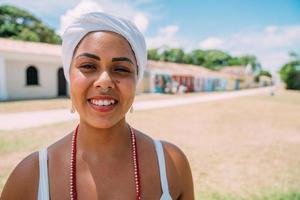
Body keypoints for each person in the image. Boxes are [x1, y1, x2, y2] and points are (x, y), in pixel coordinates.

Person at [1, 12, 194, 200]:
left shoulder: (171, 165)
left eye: (121, 69)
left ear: (136, 80)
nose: (104, 81)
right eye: (88, 66)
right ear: (69, 77)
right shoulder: (31, 176)